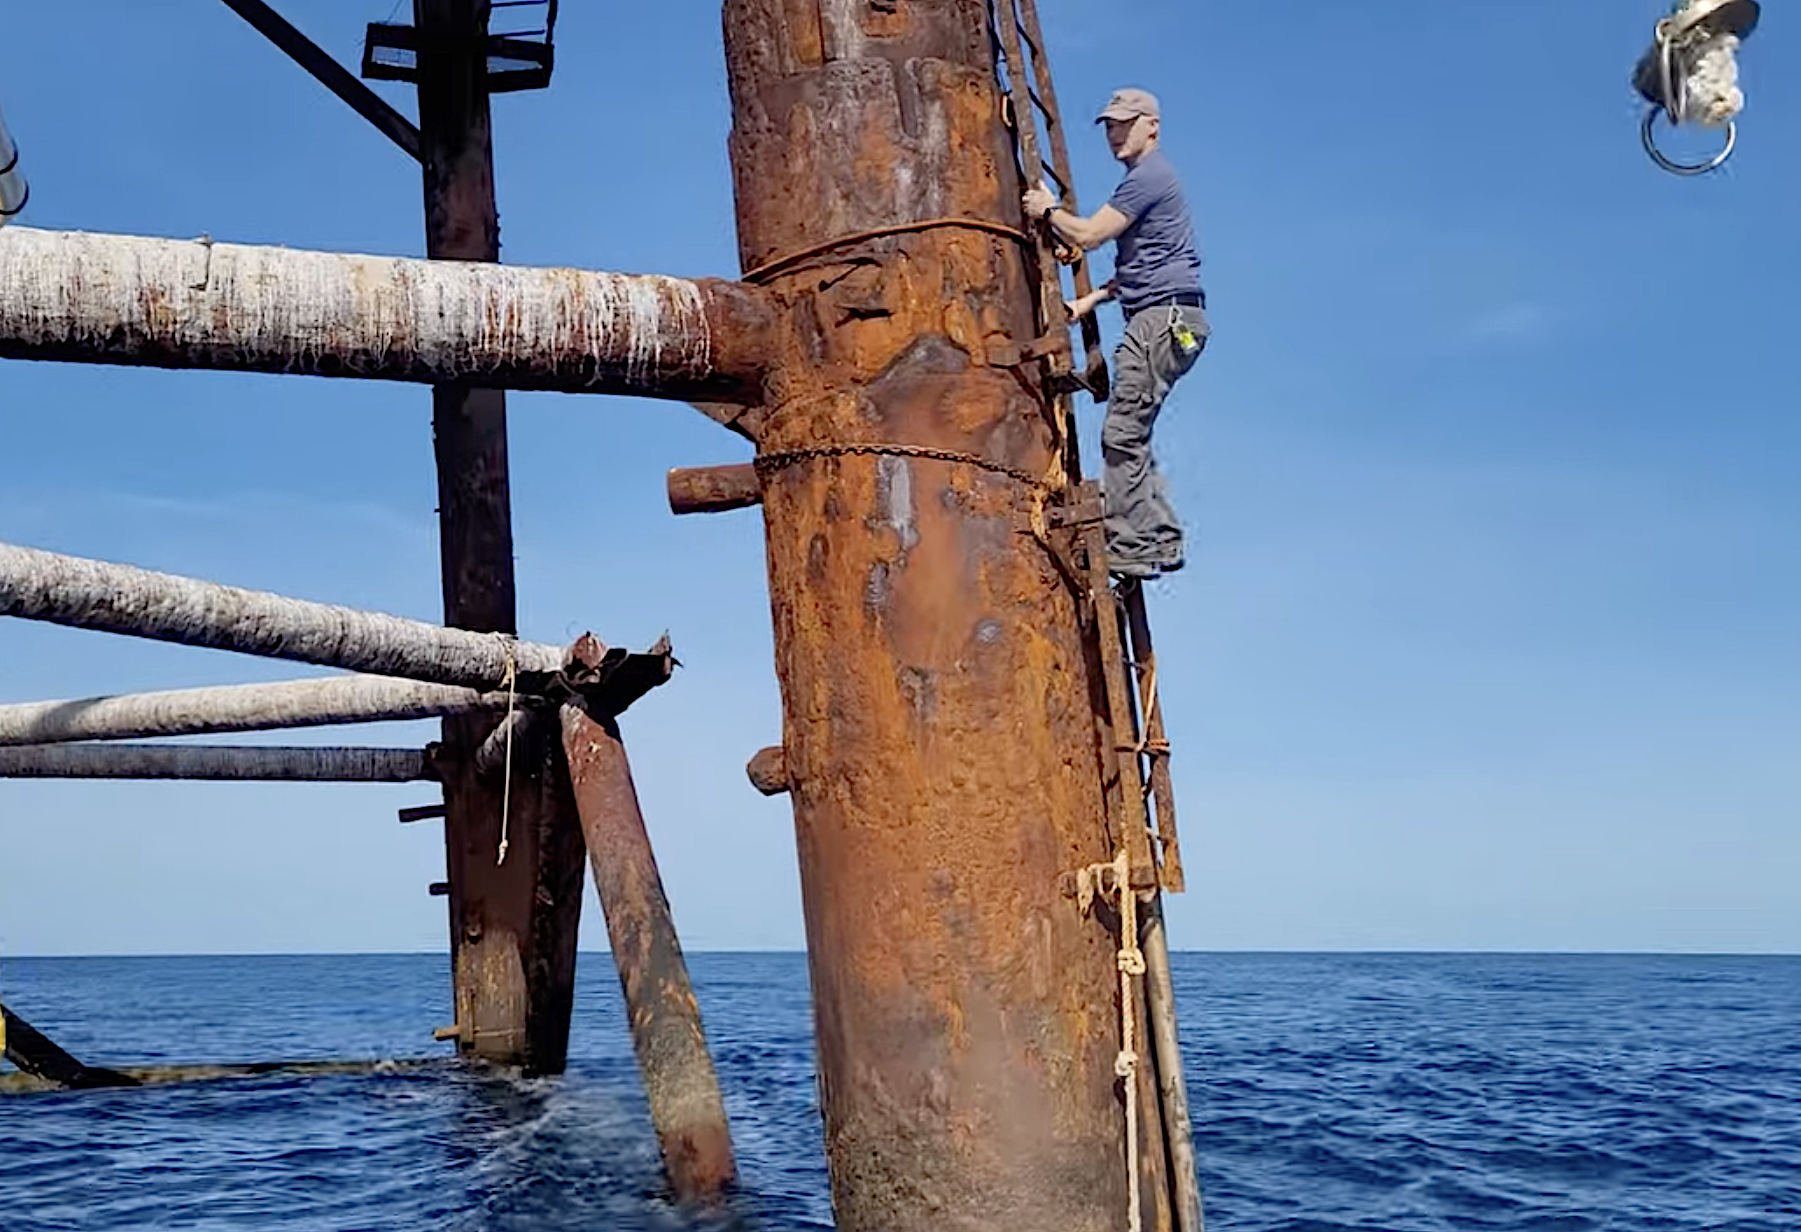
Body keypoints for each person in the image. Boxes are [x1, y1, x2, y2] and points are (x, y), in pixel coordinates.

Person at [1023, 87, 1207, 580]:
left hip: (1161, 322)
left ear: (1153, 126)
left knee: (1122, 434)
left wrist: (1046, 209)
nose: (1114, 133)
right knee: (1135, 435)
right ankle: (1161, 538)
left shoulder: (1148, 178)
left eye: (1125, 123)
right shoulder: (1153, 181)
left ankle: (1131, 546)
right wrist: (1087, 302)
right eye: (1109, 125)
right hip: (1179, 322)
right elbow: (1145, 267)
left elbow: (1088, 236)